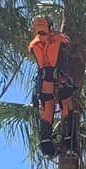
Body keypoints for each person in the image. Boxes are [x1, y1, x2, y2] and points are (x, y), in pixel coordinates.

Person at [28, 14, 75, 158]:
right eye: (37, 25)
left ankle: (68, 141)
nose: (40, 27)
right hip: (46, 77)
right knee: (49, 107)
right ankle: (47, 143)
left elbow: (64, 51)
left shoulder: (58, 39)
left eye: (42, 24)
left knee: (65, 105)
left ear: (49, 26)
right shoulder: (35, 44)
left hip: (55, 76)